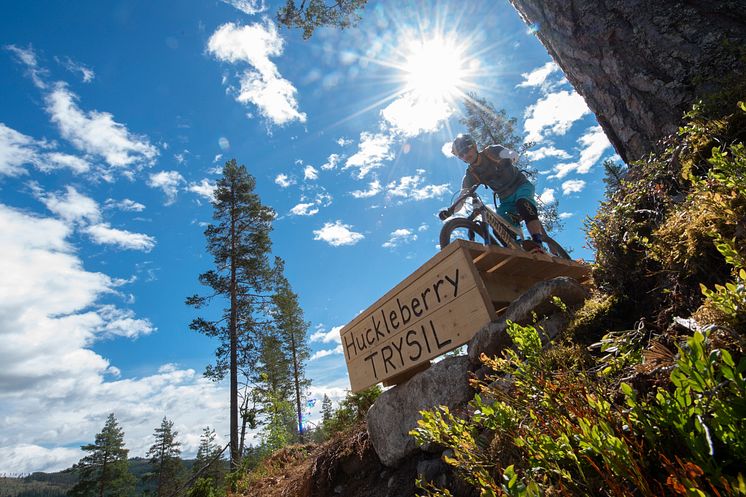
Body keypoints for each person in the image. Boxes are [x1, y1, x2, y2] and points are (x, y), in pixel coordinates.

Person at [439, 133, 547, 252]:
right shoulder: (471, 174)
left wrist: (510, 158)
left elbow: (511, 153)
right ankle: (518, 248)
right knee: (498, 227)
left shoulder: (491, 152)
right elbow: (462, 196)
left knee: (523, 204)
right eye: (460, 155)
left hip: (521, 186)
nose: (465, 155)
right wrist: (451, 211)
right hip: (505, 199)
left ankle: (538, 243)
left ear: (474, 146)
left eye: (466, 150)